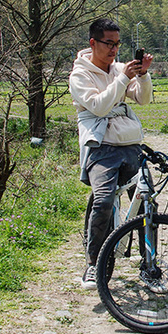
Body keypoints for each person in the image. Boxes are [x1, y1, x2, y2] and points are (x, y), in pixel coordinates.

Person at [69, 18, 153, 288]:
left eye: (118, 44)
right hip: (101, 147)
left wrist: (142, 75)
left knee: (147, 201)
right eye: (109, 44)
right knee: (103, 201)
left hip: (130, 143)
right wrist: (123, 78)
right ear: (93, 43)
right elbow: (99, 106)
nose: (114, 50)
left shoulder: (118, 69)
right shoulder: (79, 75)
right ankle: (93, 263)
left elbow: (143, 99)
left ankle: (148, 263)